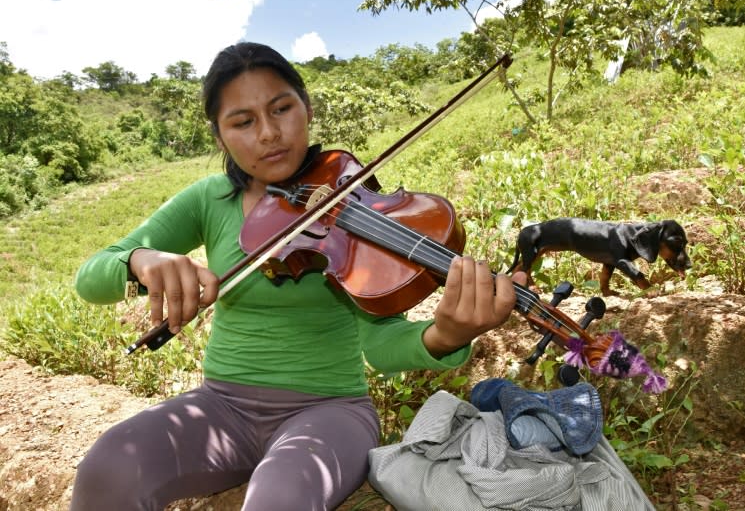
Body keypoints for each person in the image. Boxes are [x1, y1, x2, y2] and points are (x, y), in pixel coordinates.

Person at [69, 42, 526, 511]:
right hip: (222, 407)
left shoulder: (348, 204)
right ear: (220, 136)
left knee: (281, 498)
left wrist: (447, 334)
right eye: (243, 122)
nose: (269, 133)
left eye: (281, 109)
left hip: (329, 412)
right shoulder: (210, 199)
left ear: (306, 107)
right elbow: (91, 278)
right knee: (108, 467)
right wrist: (140, 259)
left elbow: (381, 346)